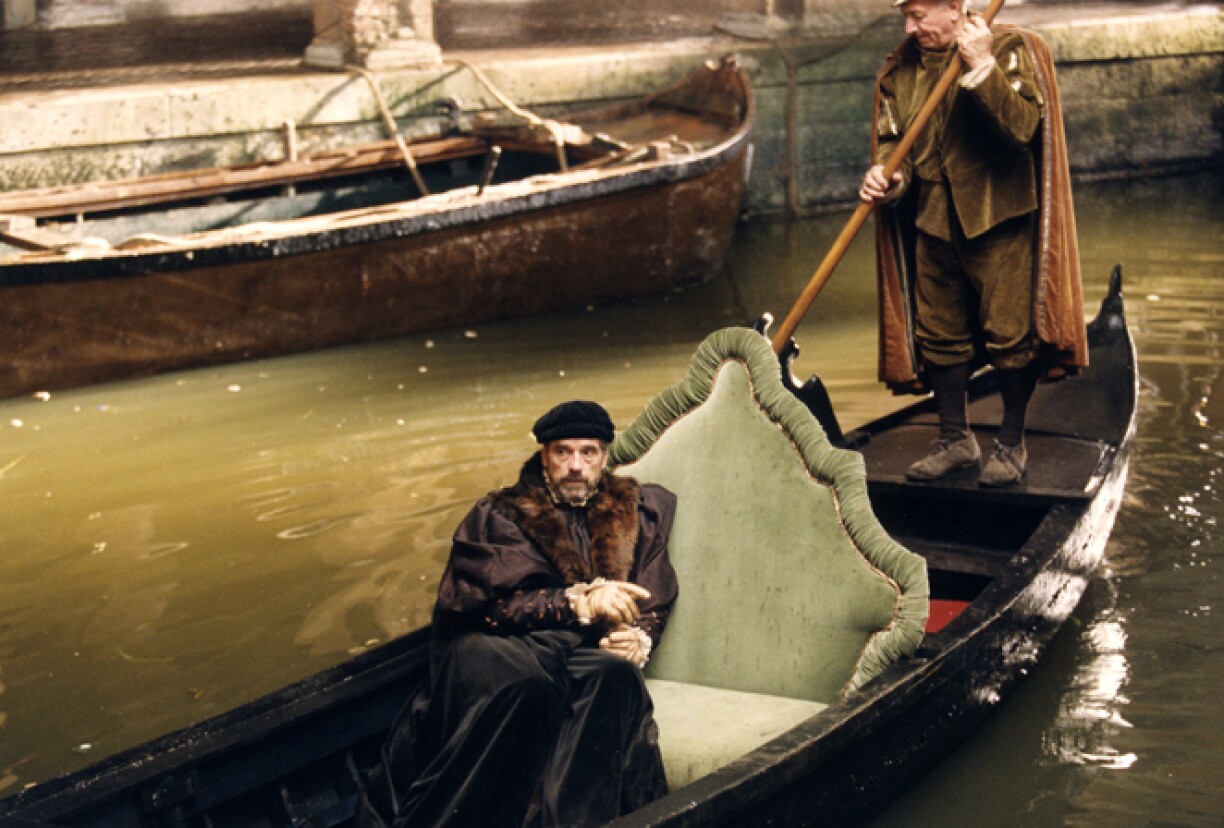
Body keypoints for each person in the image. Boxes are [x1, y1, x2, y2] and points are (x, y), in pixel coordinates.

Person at [357, 400, 679, 828]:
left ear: (604, 456)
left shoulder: (636, 510)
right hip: (492, 645)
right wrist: (576, 602)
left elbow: (652, 589)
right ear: (544, 455)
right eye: (563, 452)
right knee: (526, 686)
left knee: (614, 676)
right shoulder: (500, 515)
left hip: (569, 651)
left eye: (588, 452)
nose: (576, 466)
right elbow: (484, 605)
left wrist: (638, 636)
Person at [859, 0, 1088, 486]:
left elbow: (1023, 129)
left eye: (919, 15)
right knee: (939, 333)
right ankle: (955, 440)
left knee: (1010, 335)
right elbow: (892, 141)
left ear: (953, 7)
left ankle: (1011, 445)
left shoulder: (1008, 48)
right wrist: (887, 176)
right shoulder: (901, 70)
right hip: (933, 221)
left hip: (999, 217)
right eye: (906, 17)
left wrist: (982, 65)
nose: (909, 27)